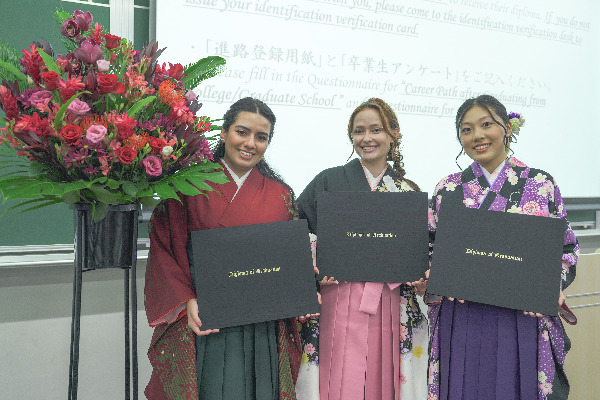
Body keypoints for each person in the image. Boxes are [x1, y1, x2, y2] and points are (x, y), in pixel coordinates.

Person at [144, 97, 302, 400]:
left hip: (262, 324)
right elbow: (165, 246)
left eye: (261, 137)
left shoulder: (281, 195)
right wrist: (186, 300)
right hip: (206, 318)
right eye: (241, 132)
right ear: (224, 132)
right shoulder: (189, 186)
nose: (250, 143)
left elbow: (288, 257)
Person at [426, 94, 579, 400]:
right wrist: (433, 272)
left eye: (486, 125)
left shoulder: (540, 183)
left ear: (507, 128)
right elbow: (430, 248)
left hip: (521, 314)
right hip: (464, 315)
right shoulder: (448, 188)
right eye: (466, 129)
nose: (477, 136)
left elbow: (566, 250)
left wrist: (551, 285)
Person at [296, 98, 429, 400]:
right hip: (337, 296)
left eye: (376, 130)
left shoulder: (407, 191)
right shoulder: (328, 180)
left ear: (394, 134)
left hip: (390, 300)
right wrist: (318, 261)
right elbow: (296, 228)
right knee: (336, 381)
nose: (366, 138)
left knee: (385, 382)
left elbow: (420, 248)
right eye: (358, 131)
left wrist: (419, 273)